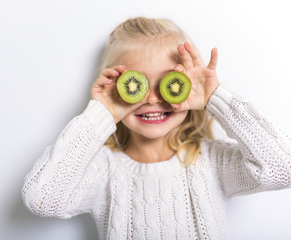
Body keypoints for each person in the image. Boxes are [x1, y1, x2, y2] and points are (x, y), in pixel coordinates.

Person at [21, 17, 291, 239]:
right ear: (116, 86)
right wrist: (102, 113)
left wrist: (215, 98)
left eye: (168, 83)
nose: (151, 99)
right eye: (136, 86)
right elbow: (42, 199)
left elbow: (284, 167)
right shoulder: (103, 170)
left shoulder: (212, 162)